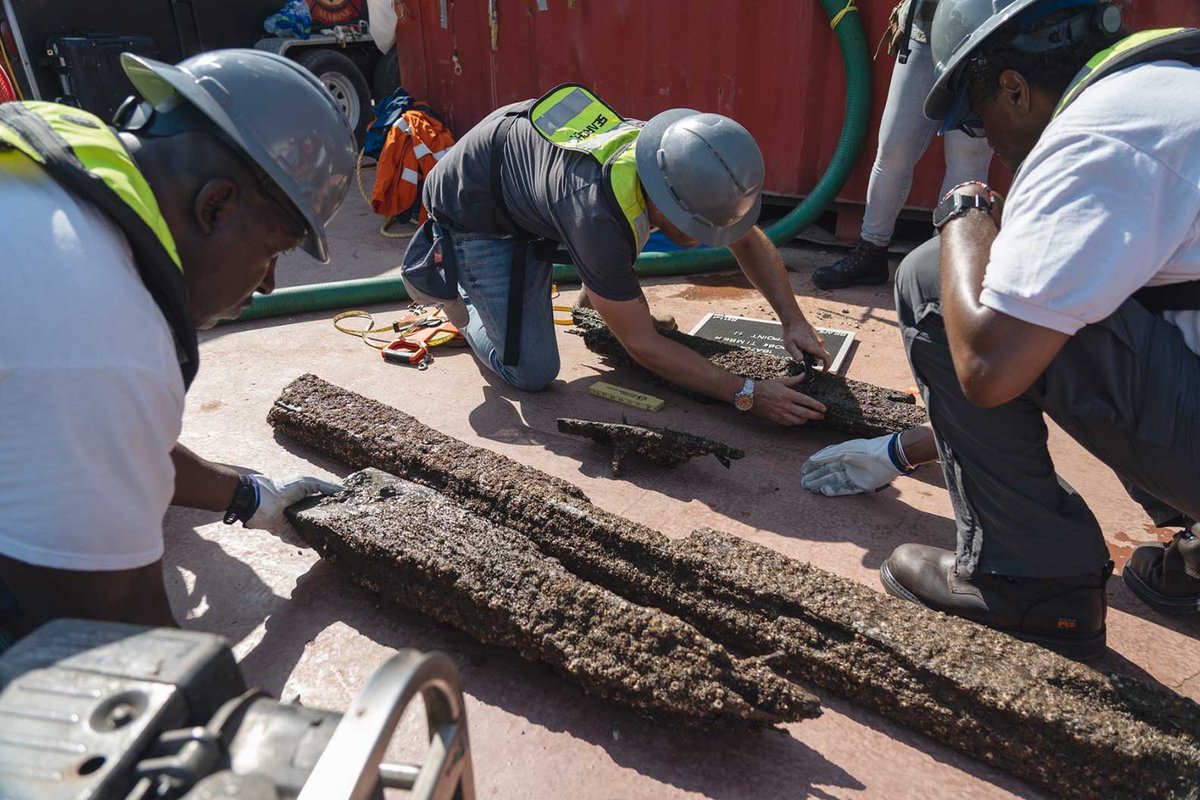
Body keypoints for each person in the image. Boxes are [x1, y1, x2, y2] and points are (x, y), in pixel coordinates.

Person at [848, 0, 1200, 659]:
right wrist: (904, 450)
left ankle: (1031, 579)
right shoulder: (1172, 87)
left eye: (978, 120)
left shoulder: (1097, 135)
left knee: (933, 277)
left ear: (1014, 88)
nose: (988, 142)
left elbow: (989, 367)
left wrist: (964, 211)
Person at [0, 49, 357, 638]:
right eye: (275, 252)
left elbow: (103, 437)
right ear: (215, 205)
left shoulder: (64, 153)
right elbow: (119, 640)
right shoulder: (99, 327)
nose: (270, 284)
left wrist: (252, 497)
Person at [403, 85, 832, 426]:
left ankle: (599, 295)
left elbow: (746, 237)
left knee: (610, 250)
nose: (711, 239)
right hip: (474, 209)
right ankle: (460, 298)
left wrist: (793, 319)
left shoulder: (673, 154)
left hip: (529, 177)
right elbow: (642, 345)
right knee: (531, 373)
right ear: (663, 200)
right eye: (700, 227)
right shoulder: (597, 217)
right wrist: (745, 393)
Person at [811, 0, 993, 290]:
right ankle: (871, 251)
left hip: (986, 36)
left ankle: (945, 269)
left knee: (967, 160)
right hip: (924, 30)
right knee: (893, 148)